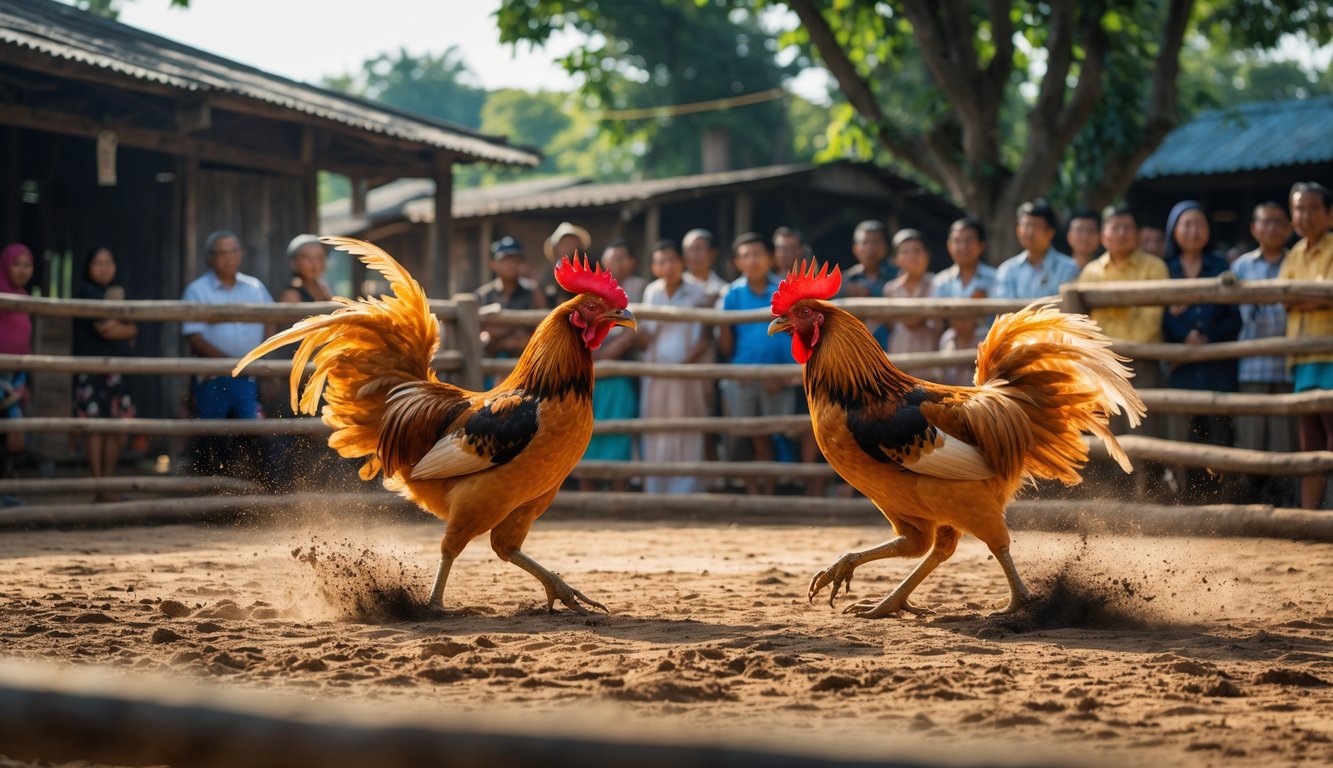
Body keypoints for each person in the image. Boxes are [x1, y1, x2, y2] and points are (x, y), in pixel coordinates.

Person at [1161, 201, 1241, 498]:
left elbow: (1234, 317)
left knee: (1218, 432)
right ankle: (1183, 498)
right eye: (1187, 224)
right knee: (1181, 435)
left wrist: (1206, 336)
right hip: (1179, 369)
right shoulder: (1164, 269)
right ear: (1174, 231)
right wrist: (1184, 336)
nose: (1193, 231)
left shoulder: (1221, 267)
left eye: (1200, 224)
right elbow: (1159, 316)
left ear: (1209, 230)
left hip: (1215, 367)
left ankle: (1218, 498)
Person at [181, 231, 275, 475]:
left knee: (255, 432)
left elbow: (271, 320)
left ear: (241, 254)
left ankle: (256, 492)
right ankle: (211, 491)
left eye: (233, 250)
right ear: (210, 258)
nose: (228, 257)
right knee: (213, 434)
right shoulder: (197, 290)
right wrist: (231, 363)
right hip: (213, 375)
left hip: (249, 374)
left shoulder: (255, 287)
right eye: (221, 252)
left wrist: (258, 357)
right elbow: (194, 336)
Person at [717, 233, 795, 495]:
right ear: (738, 262)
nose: (753, 260)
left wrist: (789, 375)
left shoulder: (783, 289)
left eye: (757, 253)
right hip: (744, 374)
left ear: (769, 257)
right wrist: (722, 324)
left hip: (781, 374)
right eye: (746, 255)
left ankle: (771, 492)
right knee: (750, 435)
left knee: (778, 432)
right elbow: (726, 344)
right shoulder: (732, 294)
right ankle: (755, 493)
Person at [1231, 202, 1297, 506]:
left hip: (1288, 366)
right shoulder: (1240, 267)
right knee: (1251, 439)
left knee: (1285, 441)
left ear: (1288, 228)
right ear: (1254, 228)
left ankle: (1285, 506)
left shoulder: (1296, 261)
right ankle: (1251, 507)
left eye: (1278, 222)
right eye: (1265, 222)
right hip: (1252, 367)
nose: (1272, 228)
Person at [639, 240, 713, 495]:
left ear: (681, 263)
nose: (667, 267)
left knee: (687, 426)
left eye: (671, 260)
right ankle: (656, 489)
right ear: (654, 267)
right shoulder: (651, 292)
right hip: (656, 373)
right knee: (656, 426)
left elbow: (704, 338)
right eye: (661, 262)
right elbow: (646, 333)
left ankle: (687, 490)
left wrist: (684, 365)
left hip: (686, 373)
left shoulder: (697, 293)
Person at [1278, 182, 1333, 510]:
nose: (1305, 215)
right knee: (1310, 440)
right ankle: (1311, 515)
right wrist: (1316, 298)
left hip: (1329, 354)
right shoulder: (1294, 253)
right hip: (1301, 358)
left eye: (1313, 208)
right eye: (1299, 208)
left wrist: (1309, 298)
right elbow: (1285, 300)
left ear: (1329, 215)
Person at [72, 247, 139, 502]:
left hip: (117, 372)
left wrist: (125, 327)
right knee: (95, 429)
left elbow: (132, 329)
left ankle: (106, 484)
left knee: (119, 430)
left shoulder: (119, 292)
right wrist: (125, 327)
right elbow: (108, 330)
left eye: (109, 262)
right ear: (88, 267)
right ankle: (99, 487)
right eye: (98, 262)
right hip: (92, 372)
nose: (104, 267)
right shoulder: (86, 292)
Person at [580, 240, 644, 491]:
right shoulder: (588, 295)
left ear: (631, 262)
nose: (615, 263)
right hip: (591, 376)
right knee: (586, 437)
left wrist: (604, 356)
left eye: (621, 258)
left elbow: (634, 333)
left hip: (619, 376)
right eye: (611, 258)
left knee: (620, 438)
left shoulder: (639, 289)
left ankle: (620, 499)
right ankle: (586, 501)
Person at [933, 218, 996, 386]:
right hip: (951, 343)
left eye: (969, 240)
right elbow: (937, 322)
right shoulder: (940, 281)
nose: (963, 246)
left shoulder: (995, 278)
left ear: (981, 245)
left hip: (986, 344)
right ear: (949, 245)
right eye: (957, 240)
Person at [476, 236, 548, 363]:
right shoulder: (483, 295)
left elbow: (543, 324)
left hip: (524, 360)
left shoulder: (532, 291)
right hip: (489, 362)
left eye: (516, 259)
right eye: (505, 259)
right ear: (493, 264)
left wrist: (498, 332)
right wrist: (516, 328)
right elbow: (481, 333)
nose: (511, 264)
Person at [995, 200, 1080, 301]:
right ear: (1018, 230)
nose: (1030, 232)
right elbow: (1003, 311)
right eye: (1026, 225)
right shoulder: (1007, 270)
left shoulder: (1068, 269)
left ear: (1050, 233)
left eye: (1036, 226)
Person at [883, 229, 941, 375]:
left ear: (927, 256)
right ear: (896, 259)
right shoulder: (890, 288)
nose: (912, 257)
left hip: (928, 352)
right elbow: (890, 324)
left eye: (917, 251)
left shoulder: (937, 283)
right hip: (899, 352)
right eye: (905, 252)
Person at [0, 243, 34, 472]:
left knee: (12, 436)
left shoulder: (25, 298)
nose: (22, 270)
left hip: (17, 375)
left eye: (27, 265)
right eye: (16, 264)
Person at [839, 219, 896, 349]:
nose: (870, 248)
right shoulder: (844, 281)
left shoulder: (896, 279)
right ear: (855, 248)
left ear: (885, 247)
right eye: (865, 242)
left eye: (876, 242)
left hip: (890, 350)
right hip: (853, 349)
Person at [542, 222, 592, 304]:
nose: (570, 248)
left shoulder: (589, 272)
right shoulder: (547, 277)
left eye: (573, 243)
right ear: (556, 249)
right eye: (565, 244)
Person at [681, 228, 729, 307]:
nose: (693, 255)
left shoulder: (724, 290)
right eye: (689, 250)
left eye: (698, 249)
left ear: (713, 254)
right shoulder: (674, 287)